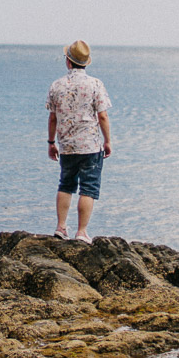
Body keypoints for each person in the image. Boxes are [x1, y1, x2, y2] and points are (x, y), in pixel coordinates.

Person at [46, 40, 112, 242]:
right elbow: (102, 116)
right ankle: (81, 232)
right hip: (90, 145)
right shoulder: (95, 84)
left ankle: (61, 227)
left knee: (65, 185)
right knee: (88, 188)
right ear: (86, 62)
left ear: (68, 61)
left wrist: (51, 143)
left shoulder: (57, 85)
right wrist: (107, 141)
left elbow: (53, 118)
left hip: (66, 145)